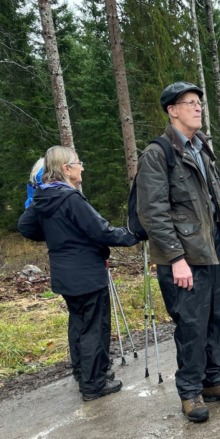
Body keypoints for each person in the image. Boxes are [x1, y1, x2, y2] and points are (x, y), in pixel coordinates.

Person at [136, 81, 220, 422]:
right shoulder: (157, 154)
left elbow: (217, 204)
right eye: (189, 102)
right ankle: (190, 392)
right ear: (172, 110)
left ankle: (216, 381)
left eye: (199, 102)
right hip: (183, 260)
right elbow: (153, 212)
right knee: (191, 326)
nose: (198, 107)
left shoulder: (202, 149)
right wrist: (175, 259)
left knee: (218, 320)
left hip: (212, 252)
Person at [18, 146, 138, 401]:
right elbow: (101, 231)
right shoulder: (69, 198)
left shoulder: (43, 196)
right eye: (78, 162)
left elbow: (26, 226)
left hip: (64, 273)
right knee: (95, 327)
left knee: (79, 324)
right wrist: (133, 235)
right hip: (85, 272)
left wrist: (56, 234)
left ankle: (83, 373)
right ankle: (94, 383)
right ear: (66, 168)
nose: (82, 166)